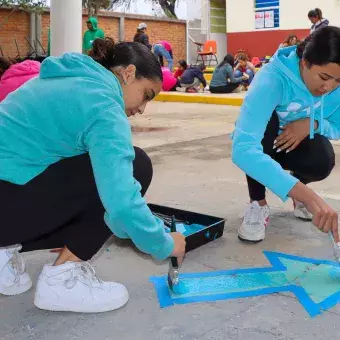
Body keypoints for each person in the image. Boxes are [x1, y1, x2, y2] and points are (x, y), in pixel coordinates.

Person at [0, 38, 186, 313]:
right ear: (129, 73)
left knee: (92, 167)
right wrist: (165, 244)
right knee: (137, 167)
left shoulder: (66, 79)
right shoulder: (104, 105)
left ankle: (3, 253)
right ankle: (62, 282)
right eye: (146, 95)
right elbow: (122, 205)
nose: (143, 108)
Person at [232, 26, 340, 244]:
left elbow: (337, 126)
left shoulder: (334, 87)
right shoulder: (272, 78)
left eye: (338, 81)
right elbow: (242, 148)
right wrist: (310, 198)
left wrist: (313, 123)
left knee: (322, 158)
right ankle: (258, 204)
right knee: (267, 123)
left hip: (292, 147)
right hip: (266, 145)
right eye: (324, 77)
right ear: (304, 62)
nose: (329, 87)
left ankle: (296, 191)